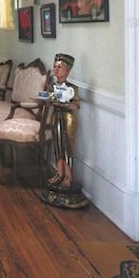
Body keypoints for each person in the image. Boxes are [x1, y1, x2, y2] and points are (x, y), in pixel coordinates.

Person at [41, 52, 89, 209]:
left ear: (67, 71)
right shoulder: (51, 87)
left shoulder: (72, 88)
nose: (56, 70)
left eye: (59, 67)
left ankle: (68, 176)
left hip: (67, 119)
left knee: (67, 146)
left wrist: (64, 104)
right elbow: (47, 103)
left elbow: (76, 106)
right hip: (56, 118)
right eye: (54, 66)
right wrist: (48, 100)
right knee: (57, 146)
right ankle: (59, 173)